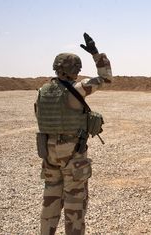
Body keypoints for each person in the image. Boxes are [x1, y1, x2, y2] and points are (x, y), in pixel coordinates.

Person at [34, 33, 112, 235]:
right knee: (74, 206)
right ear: (75, 70)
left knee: (50, 204)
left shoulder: (42, 91)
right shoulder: (78, 88)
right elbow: (106, 78)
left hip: (49, 154)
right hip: (73, 154)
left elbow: (40, 117)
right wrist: (96, 54)